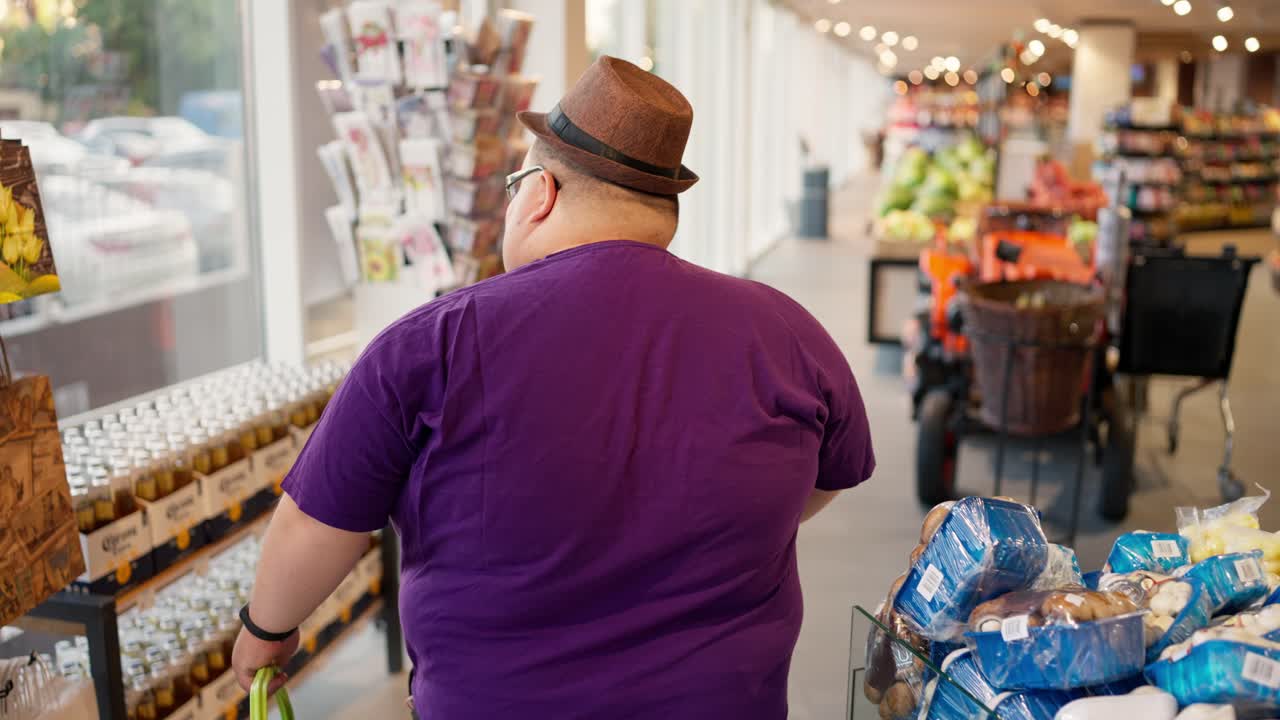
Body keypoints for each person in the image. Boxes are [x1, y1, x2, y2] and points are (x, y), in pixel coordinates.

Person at [232, 55, 875, 719]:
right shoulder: (785, 331)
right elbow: (830, 474)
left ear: (539, 193)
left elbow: (318, 520)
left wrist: (264, 632)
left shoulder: (431, 344)